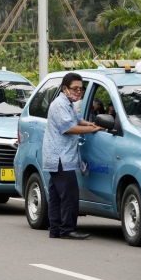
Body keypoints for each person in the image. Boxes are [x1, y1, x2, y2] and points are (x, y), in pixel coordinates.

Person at [42, 72, 103, 239]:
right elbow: (69, 128)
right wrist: (92, 129)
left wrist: (89, 123)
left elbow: (77, 120)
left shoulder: (67, 103)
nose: (78, 92)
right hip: (61, 158)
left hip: (57, 157)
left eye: (80, 89)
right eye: (75, 89)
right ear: (64, 89)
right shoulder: (60, 104)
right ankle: (67, 229)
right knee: (69, 195)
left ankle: (55, 229)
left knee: (55, 195)